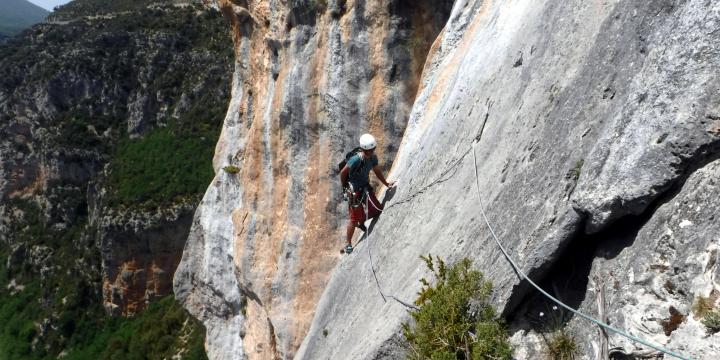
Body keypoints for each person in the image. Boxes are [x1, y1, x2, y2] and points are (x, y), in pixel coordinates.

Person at [339, 133, 395, 254]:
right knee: (353, 220)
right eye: (369, 150)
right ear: (364, 149)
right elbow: (343, 173)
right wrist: (344, 188)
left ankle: (361, 222)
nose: (371, 152)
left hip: (364, 186)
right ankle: (348, 243)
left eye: (373, 149)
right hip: (354, 191)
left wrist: (386, 184)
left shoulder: (373, 157)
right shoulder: (356, 159)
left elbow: (376, 170)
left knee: (378, 210)